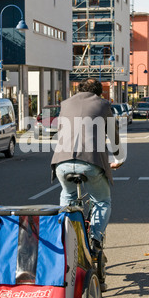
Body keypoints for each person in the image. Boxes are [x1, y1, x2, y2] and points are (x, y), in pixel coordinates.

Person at [51, 78, 124, 254]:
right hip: (90, 162)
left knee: (67, 196)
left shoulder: (65, 104)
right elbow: (112, 135)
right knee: (102, 201)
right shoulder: (103, 105)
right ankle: (96, 238)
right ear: (99, 92)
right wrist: (119, 158)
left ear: (80, 89)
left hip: (62, 162)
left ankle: (63, 233)